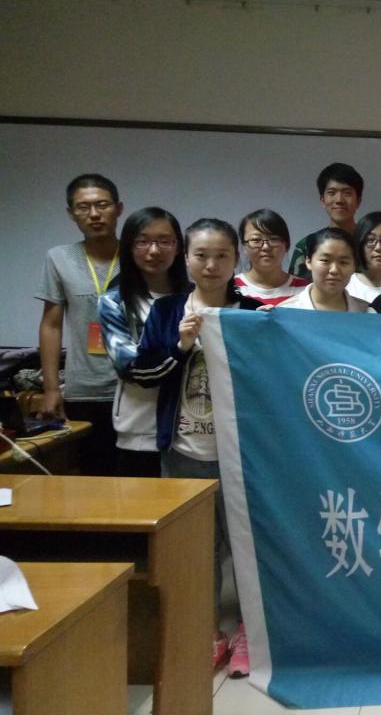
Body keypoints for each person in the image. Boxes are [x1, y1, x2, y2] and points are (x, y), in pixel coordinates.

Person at [130, 218, 261, 678]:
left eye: (222, 255)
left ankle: (250, 632)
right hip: (184, 448)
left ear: (236, 260)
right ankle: (207, 632)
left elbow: (267, 378)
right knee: (197, 548)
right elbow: (143, 373)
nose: (211, 264)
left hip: (241, 454)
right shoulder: (167, 310)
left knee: (246, 545)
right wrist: (181, 346)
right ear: (186, 258)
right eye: (201, 255)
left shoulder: (251, 311)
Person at [36, 173, 124, 475]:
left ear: (119, 208)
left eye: (103, 205)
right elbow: (51, 325)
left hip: (134, 387)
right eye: (83, 207)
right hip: (83, 390)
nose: (94, 214)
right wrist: (51, 388)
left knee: (138, 477)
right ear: (71, 213)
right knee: (92, 475)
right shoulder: (59, 258)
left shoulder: (139, 256)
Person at [98, 207, 189, 477]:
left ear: (178, 247)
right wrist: (181, 350)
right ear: (129, 247)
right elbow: (132, 367)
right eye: (143, 241)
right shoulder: (114, 302)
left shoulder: (195, 297)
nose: (154, 250)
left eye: (164, 241)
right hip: (140, 428)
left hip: (191, 429)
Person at [288, 163, 364, 279]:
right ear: (323, 200)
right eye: (331, 193)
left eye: (347, 193)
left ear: (358, 201)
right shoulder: (307, 245)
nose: (339, 200)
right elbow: (297, 286)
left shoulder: (372, 244)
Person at [277, 228, 369, 312]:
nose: (334, 270)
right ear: (308, 261)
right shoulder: (285, 312)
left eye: (343, 262)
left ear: (354, 266)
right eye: (325, 260)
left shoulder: (367, 312)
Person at [233, 209, 309, 305]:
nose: (266, 247)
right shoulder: (229, 288)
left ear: (287, 245)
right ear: (244, 246)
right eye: (256, 240)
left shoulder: (307, 291)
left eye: (274, 239)